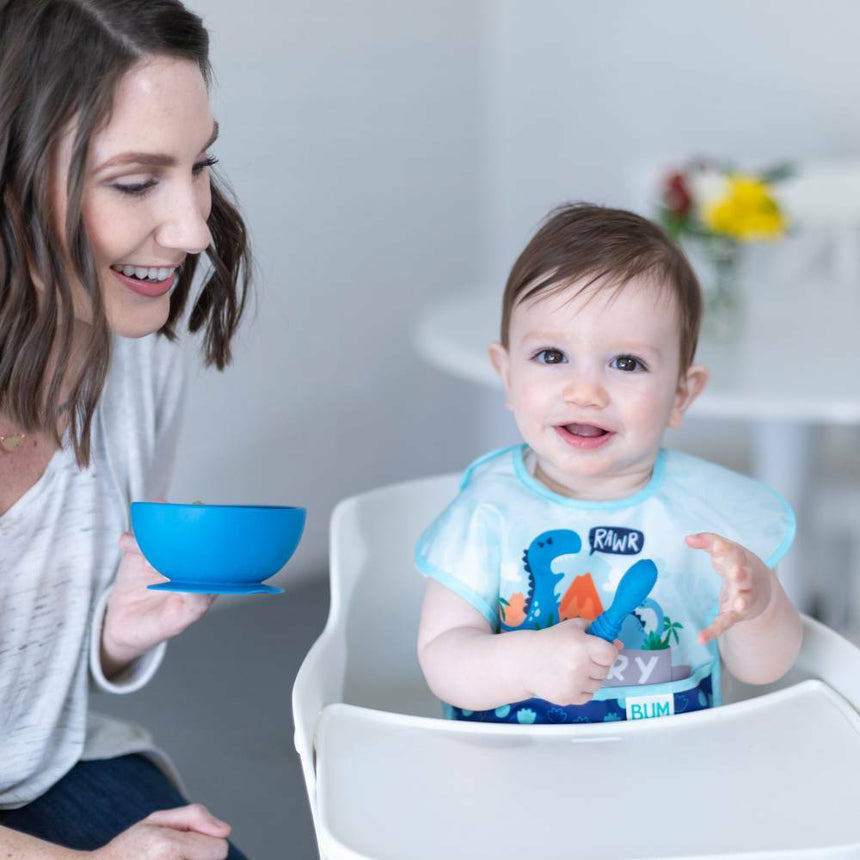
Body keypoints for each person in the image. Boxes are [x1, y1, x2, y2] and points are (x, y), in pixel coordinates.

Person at [0, 1, 252, 856]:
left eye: (199, 165)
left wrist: (114, 628)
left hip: (39, 768)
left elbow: (37, 684)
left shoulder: (138, 361)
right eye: (136, 181)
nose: (191, 230)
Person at [416, 203, 803, 725]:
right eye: (551, 355)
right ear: (506, 375)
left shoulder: (709, 520)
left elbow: (764, 669)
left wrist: (759, 607)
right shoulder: (487, 509)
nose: (585, 392)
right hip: (509, 771)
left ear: (681, 395)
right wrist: (526, 663)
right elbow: (442, 657)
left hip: (670, 769)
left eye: (627, 363)